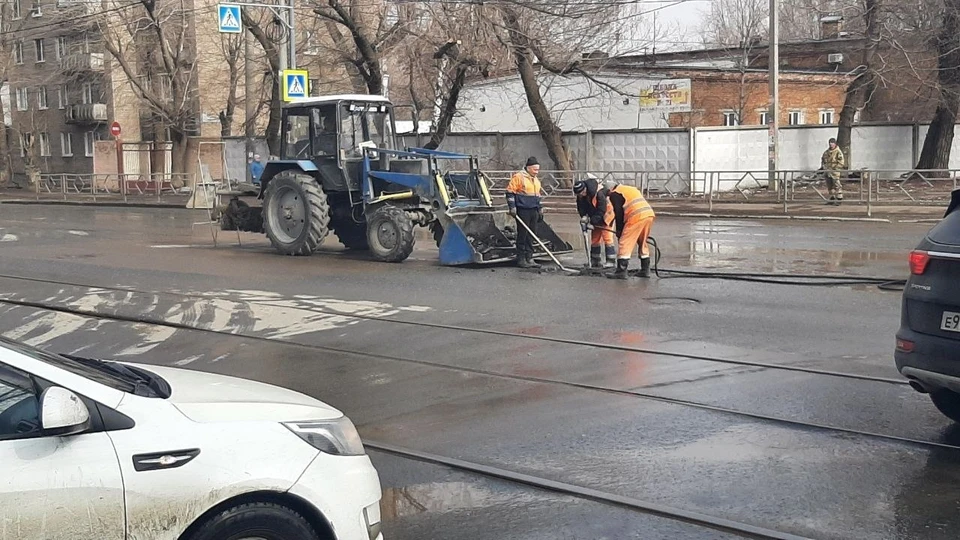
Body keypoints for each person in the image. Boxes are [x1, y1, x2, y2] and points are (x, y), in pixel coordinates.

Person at [604, 179, 656, 279]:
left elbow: (619, 214)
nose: (608, 196)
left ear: (610, 189)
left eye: (608, 193)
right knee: (642, 242)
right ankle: (645, 270)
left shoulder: (615, 194)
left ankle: (621, 271)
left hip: (635, 217)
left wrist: (619, 231)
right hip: (648, 214)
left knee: (625, 242)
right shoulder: (629, 189)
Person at [506, 156, 544, 269]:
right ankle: (521, 258)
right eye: (535, 169)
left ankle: (529, 257)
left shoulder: (536, 180)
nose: (536, 172)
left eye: (538, 170)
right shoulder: (519, 177)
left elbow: (538, 196)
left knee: (532, 234)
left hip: (533, 210)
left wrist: (540, 209)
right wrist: (512, 207)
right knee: (523, 234)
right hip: (523, 210)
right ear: (528, 168)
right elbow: (509, 192)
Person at [573, 174, 616, 268]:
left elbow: (601, 210)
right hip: (595, 215)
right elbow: (581, 207)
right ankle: (595, 260)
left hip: (606, 215)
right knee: (595, 238)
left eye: (581, 194)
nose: (580, 196)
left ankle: (611, 261)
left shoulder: (599, 193)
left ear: (585, 190)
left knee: (607, 237)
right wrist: (584, 216)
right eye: (578, 195)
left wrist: (592, 222)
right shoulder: (581, 195)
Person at [822, 138, 846, 205]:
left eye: (832, 143)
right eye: (830, 143)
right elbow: (823, 160)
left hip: (835, 172)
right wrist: (824, 167)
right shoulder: (826, 152)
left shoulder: (838, 152)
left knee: (837, 185)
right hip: (827, 171)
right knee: (830, 186)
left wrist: (835, 169)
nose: (831, 144)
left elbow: (841, 162)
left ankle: (839, 198)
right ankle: (832, 198)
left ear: (835, 144)